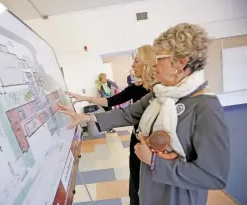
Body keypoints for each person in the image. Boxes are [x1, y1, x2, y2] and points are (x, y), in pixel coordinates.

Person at [60, 23, 230, 205]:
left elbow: (213, 176)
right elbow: (128, 114)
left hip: (176, 198)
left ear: (181, 62)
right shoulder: (159, 93)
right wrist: (86, 117)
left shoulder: (205, 107)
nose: (154, 64)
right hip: (149, 189)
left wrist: (154, 161)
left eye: (160, 58)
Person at [66, 45, 157, 205]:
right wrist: (84, 99)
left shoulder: (160, 92)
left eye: (136, 61)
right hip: (137, 142)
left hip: (155, 148)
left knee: (151, 188)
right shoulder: (136, 88)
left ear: (147, 64)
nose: (133, 65)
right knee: (135, 187)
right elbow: (115, 105)